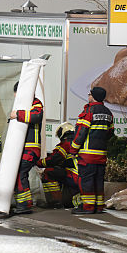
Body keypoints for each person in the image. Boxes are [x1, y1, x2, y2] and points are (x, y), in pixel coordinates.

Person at [66, 86, 115, 214]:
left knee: (86, 181)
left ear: (93, 97)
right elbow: (110, 133)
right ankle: (98, 206)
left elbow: (80, 133)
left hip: (87, 155)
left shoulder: (88, 112)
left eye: (89, 94)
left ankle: (87, 207)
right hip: (101, 155)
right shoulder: (108, 113)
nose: (88, 96)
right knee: (98, 181)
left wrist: (73, 151)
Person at [11, 81, 44, 214]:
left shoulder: (36, 103)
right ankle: (22, 203)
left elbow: (36, 116)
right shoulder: (25, 105)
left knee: (20, 173)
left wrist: (17, 115)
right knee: (19, 174)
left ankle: (24, 205)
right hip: (25, 148)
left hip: (31, 148)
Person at [37, 122, 79, 208]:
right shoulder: (78, 143)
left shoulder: (66, 144)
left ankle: (54, 201)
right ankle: (64, 200)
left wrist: (38, 163)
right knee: (67, 202)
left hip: (74, 176)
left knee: (48, 172)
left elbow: (54, 159)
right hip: (82, 177)